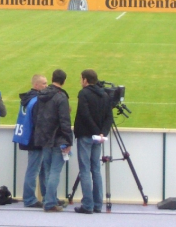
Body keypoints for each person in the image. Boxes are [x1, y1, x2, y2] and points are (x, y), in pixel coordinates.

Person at [73, 69, 113, 214]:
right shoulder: (105, 94)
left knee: (85, 170)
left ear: (85, 80)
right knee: (95, 169)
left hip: (86, 135)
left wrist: (96, 131)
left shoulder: (84, 94)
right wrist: (102, 132)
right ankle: (97, 204)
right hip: (98, 137)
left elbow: (85, 114)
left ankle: (88, 205)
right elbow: (109, 117)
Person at [33, 69, 73, 212]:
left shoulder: (41, 95)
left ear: (52, 78)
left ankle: (49, 199)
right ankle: (50, 202)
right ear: (64, 81)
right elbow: (64, 121)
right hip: (58, 139)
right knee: (54, 171)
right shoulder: (61, 97)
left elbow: (37, 115)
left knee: (48, 171)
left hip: (45, 138)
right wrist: (69, 140)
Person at [12, 73, 48, 208]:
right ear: (36, 85)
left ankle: (47, 196)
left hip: (28, 137)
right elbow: (39, 122)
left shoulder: (27, 99)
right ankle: (30, 199)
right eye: (44, 83)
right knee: (34, 170)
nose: (46, 86)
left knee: (41, 169)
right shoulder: (37, 101)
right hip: (36, 140)